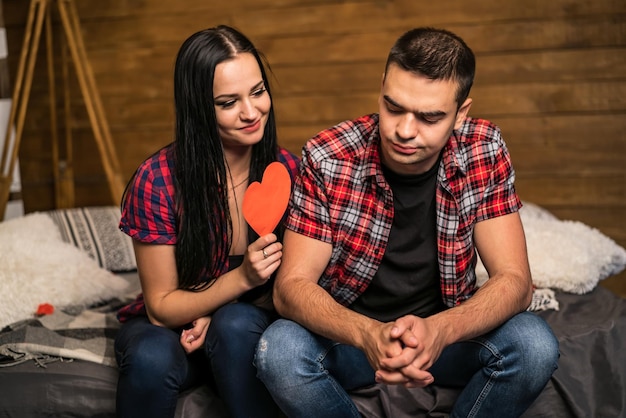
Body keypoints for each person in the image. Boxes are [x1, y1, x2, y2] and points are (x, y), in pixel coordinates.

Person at [255, 27, 559, 417]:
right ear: (381, 86)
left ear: (460, 113)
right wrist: (368, 334)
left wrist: (440, 331)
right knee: (279, 350)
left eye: (429, 117)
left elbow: (515, 281)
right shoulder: (327, 156)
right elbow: (291, 287)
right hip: (351, 339)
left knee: (534, 346)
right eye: (393, 107)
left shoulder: (484, 149)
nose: (404, 130)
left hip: (445, 339)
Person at [114, 25, 299, 418]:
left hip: (245, 325)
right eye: (228, 102)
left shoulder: (288, 172)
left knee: (234, 324)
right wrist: (242, 279)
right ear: (199, 107)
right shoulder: (159, 180)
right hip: (168, 330)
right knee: (150, 356)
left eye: (258, 92)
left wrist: (218, 310)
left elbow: (302, 283)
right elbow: (161, 308)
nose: (251, 112)